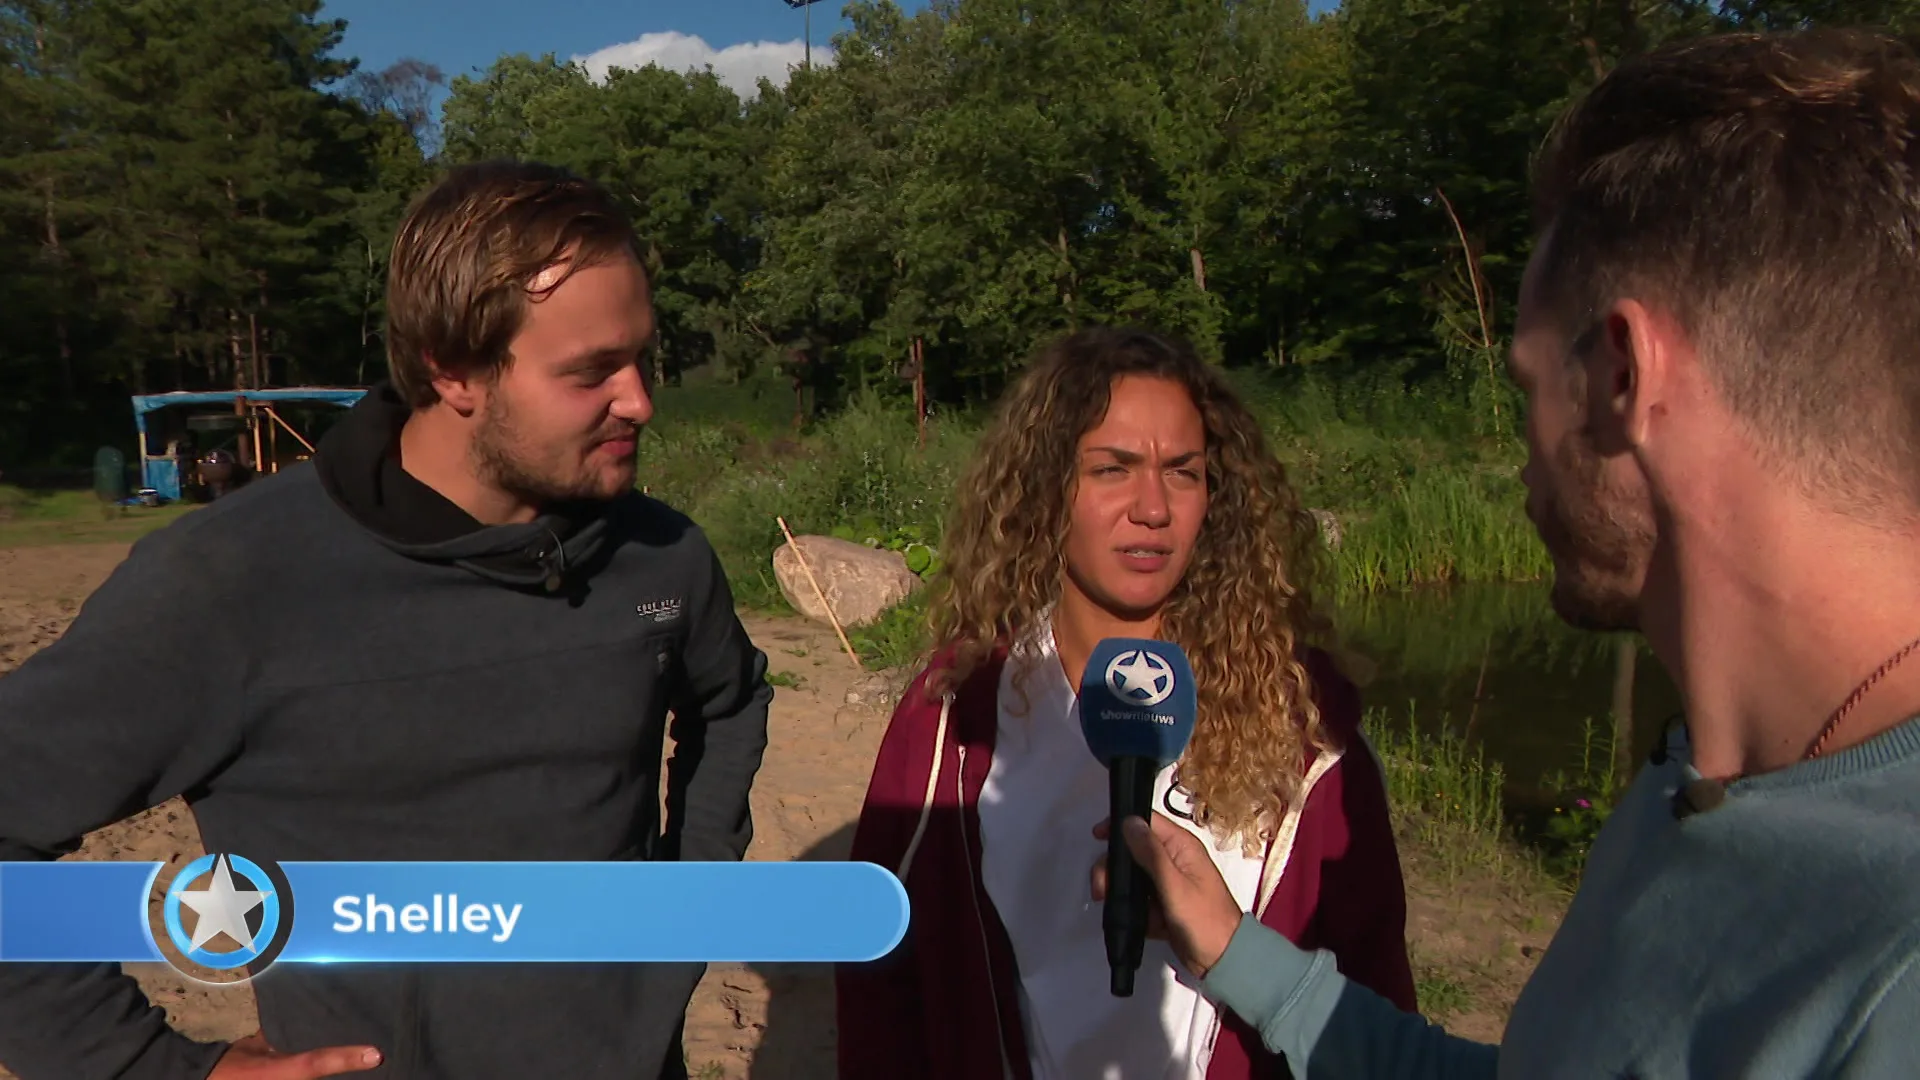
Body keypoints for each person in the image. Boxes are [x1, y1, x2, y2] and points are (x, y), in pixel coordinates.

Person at [1094, 26, 1920, 1079]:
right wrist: (1236, 954)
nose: (1523, 453)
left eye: (1529, 384)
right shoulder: (1696, 783)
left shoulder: (1897, 969)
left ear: (1620, 378)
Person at [0, 161, 773, 1080]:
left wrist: (688, 904)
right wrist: (149, 1065)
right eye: (592, 372)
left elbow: (730, 701)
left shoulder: (662, 555)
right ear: (454, 370)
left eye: (643, 357)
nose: (640, 400)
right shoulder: (232, 584)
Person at [837, 326, 1418, 1080]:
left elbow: (1373, 982)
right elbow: (881, 981)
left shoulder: (1306, 726)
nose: (1153, 508)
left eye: (1183, 472)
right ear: (1048, 488)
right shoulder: (955, 721)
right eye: (1113, 469)